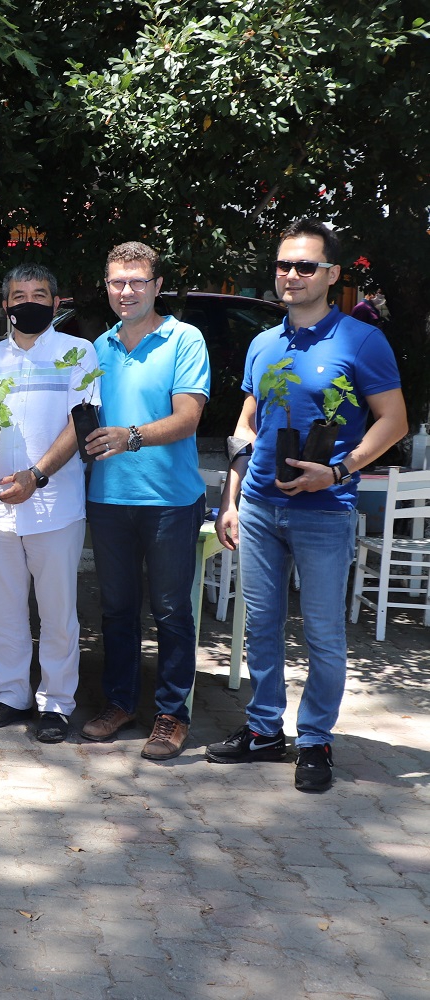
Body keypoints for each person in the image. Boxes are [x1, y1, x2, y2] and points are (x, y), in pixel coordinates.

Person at [209, 219, 406, 792]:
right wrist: (231, 496)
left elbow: (394, 422)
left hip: (326, 510)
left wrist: (340, 470)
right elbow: (248, 423)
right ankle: (265, 730)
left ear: (332, 274)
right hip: (261, 508)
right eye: (283, 265)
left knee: (322, 631)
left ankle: (315, 739)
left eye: (304, 266)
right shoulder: (264, 343)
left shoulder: (362, 340)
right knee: (261, 628)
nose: (291, 276)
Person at [78, 241, 210, 761]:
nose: (126, 291)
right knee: (116, 609)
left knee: (173, 610)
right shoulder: (97, 347)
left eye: (136, 281)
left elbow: (188, 418)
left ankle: (172, 715)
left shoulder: (185, 339)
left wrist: (129, 437)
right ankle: (119, 703)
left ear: (156, 286)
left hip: (171, 501)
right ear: (106, 287)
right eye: (116, 282)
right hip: (108, 498)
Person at [0, 265, 94, 744]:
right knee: (2, 606)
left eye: (40, 293)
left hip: (54, 502)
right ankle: (11, 694)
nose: (29, 302)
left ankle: (56, 703)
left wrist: (37, 477)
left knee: (57, 611)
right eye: (19, 294)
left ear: (56, 303)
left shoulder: (78, 353)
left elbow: (81, 425)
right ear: (5, 303)